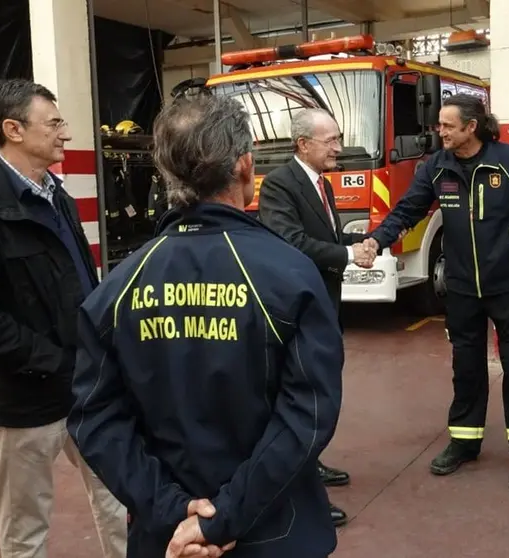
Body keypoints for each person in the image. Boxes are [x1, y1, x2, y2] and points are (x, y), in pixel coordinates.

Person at [66, 92, 344, 558]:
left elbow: (95, 417)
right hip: (273, 531)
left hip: (168, 536)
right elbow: (309, 414)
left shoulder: (117, 288)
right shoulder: (290, 275)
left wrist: (173, 508)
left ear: (167, 173)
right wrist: (225, 517)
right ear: (244, 166)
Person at [0, 79, 127, 558]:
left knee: (120, 502)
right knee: (26, 528)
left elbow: (81, 279)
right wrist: (49, 359)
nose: (65, 132)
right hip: (25, 400)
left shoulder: (56, 195)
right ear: (13, 129)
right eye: (55, 122)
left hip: (87, 387)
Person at [362, 93, 509, 491]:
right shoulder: (436, 167)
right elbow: (407, 210)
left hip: (507, 286)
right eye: (440, 125)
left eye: (448, 125)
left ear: (472, 127)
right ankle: (465, 441)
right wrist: (376, 241)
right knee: (466, 366)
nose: (440, 131)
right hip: (462, 288)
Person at [256, 108, 371, 527]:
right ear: (304, 144)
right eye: (331, 140)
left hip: (325, 304)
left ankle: (310, 462)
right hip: (298, 310)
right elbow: (290, 241)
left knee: (320, 391)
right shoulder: (280, 185)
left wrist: (363, 241)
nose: (339, 148)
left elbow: (325, 237)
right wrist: (346, 254)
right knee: (301, 394)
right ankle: (299, 491)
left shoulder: (322, 184)